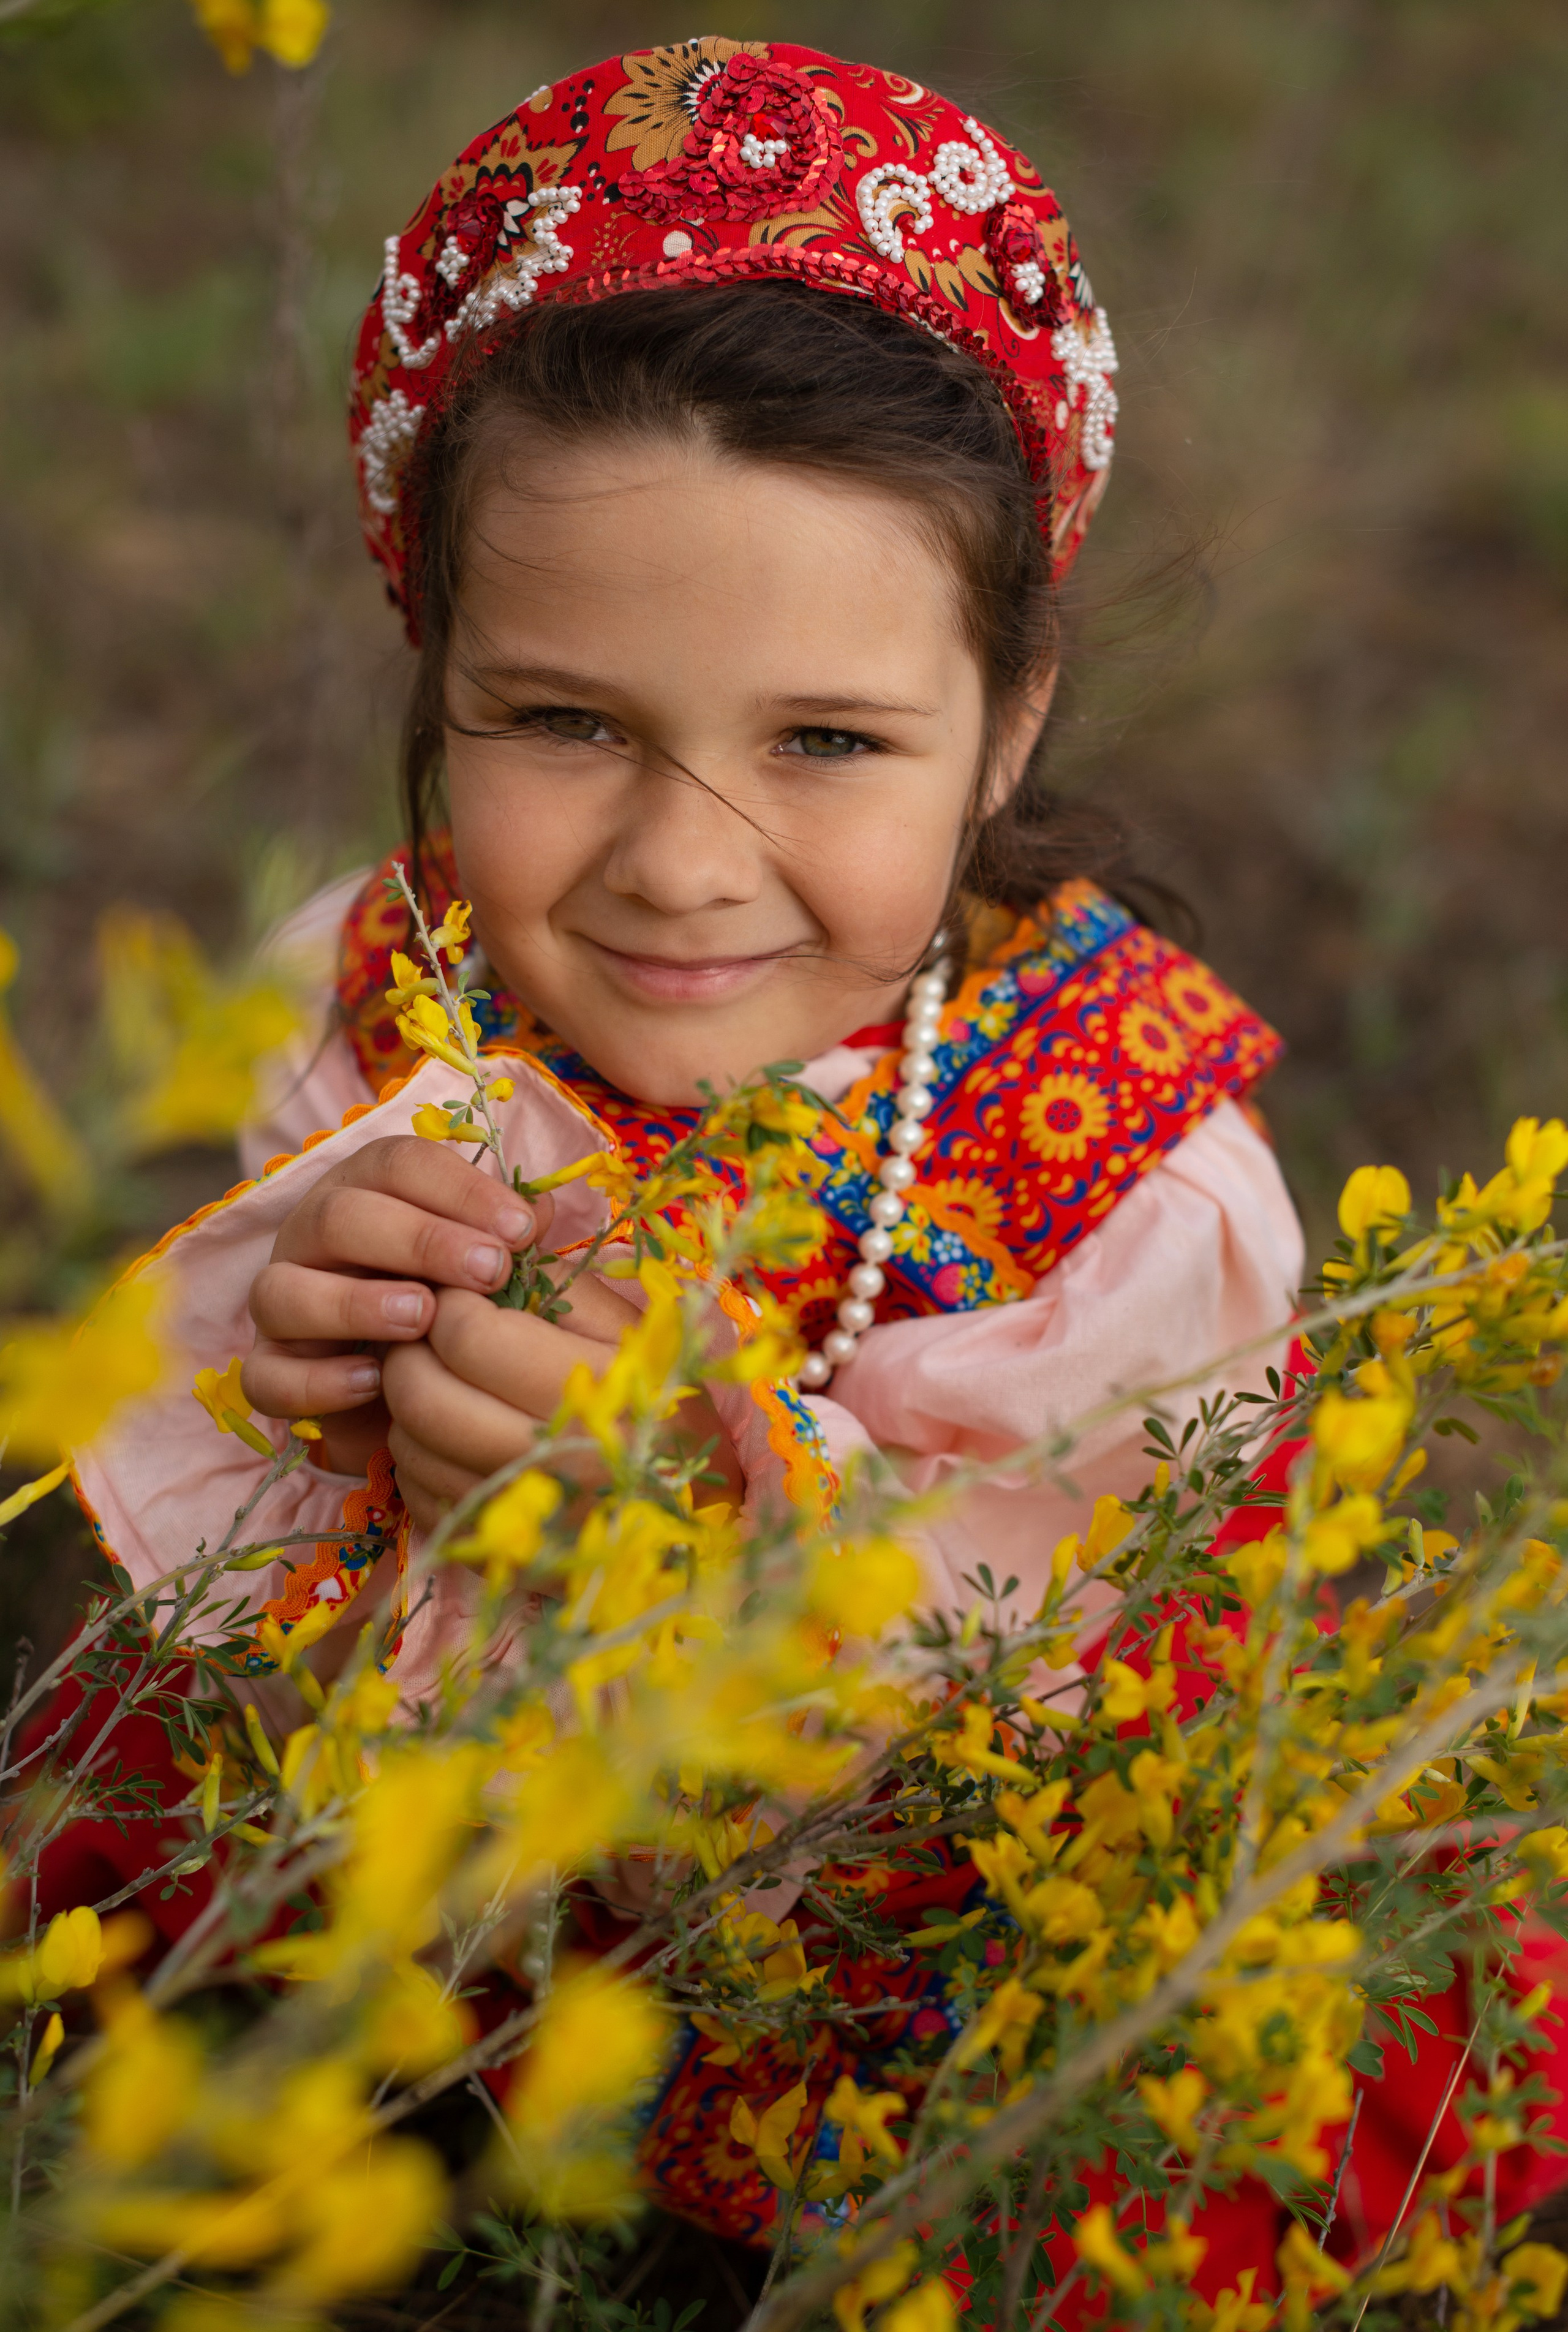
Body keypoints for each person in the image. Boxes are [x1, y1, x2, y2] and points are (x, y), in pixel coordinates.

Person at [68, 34, 1504, 2304]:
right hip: (432, 1880)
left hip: (910, 1955)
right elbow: (244, 1518)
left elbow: (1033, 1697)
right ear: (435, 674)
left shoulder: (1132, 1178)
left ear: (1009, 716)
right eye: (565, 724)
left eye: (826, 742)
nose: (678, 865)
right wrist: (313, 1362)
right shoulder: (384, 995)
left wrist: (709, 1501)